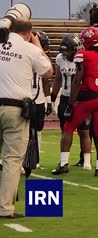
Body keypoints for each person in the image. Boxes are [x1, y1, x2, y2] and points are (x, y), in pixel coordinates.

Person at [0, 17, 53, 218]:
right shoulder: (30, 49)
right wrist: (37, 44)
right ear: (29, 33)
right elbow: (48, 72)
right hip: (16, 109)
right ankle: (5, 209)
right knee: (12, 161)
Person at [51, 26, 98, 177]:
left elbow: (77, 81)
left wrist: (71, 104)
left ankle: (63, 164)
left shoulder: (83, 55)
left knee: (68, 128)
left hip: (86, 97)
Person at [50, 33, 93, 171]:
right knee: (65, 130)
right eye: (63, 50)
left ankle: (86, 162)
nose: (65, 53)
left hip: (80, 99)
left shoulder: (83, 58)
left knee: (84, 131)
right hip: (64, 97)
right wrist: (52, 98)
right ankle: (64, 162)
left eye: (67, 50)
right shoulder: (60, 59)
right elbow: (57, 79)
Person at [30, 31, 53, 169]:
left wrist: (48, 100)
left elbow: (45, 80)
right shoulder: (27, 53)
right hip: (25, 97)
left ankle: (36, 160)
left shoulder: (39, 57)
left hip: (38, 99)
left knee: (37, 130)